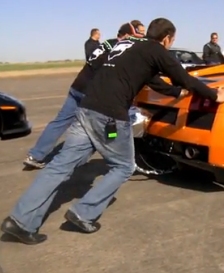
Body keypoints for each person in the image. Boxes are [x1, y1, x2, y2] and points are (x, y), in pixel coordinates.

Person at [1, 18, 224, 245]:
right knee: (123, 166)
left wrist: (175, 94)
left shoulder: (128, 46)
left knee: (59, 166)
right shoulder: (156, 50)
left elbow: (152, 80)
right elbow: (185, 78)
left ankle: (20, 221)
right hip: (110, 117)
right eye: (171, 41)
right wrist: (216, 95)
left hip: (87, 108)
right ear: (166, 39)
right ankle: (83, 213)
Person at [23, 22, 179, 169]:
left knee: (60, 122)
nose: (137, 41)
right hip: (91, 92)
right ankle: (109, 161)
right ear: (125, 35)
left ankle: (36, 155)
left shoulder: (106, 44)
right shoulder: (120, 48)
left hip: (77, 86)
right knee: (106, 126)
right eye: (135, 37)